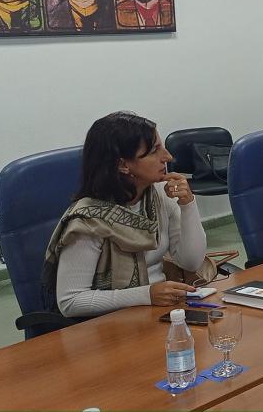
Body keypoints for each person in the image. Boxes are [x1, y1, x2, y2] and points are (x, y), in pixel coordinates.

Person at [43, 112, 208, 318]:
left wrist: (188, 204)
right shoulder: (89, 220)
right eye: (155, 151)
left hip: (160, 311)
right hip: (108, 324)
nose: (167, 157)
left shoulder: (159, 195)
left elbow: (190, 262)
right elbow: (71, 301)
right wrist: (146, 295)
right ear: (123, 165)